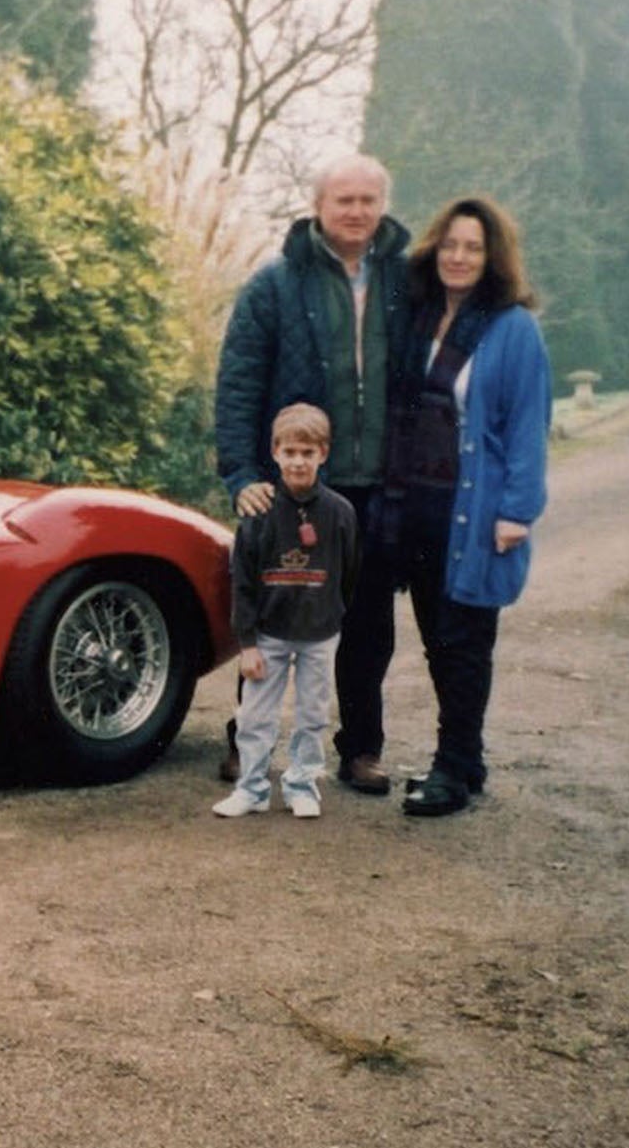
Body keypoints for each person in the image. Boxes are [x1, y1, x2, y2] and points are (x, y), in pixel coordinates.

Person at [214, 154, 410, 796]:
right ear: (318, 207)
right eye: (343, 200)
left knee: (367, 624)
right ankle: (250, 743)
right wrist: (244, 472)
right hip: (295, 485)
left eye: (368, 200)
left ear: (383, 205)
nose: (356, 212)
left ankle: (361, 750)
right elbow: (239, 385)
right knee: (276, 617)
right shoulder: (275, 284)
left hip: (375, 487)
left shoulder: (406, 284)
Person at [377, 196, 551, 817]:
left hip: (473, 510)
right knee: (436, 639)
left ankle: (451, 769)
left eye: (473, 247)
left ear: (492, 257)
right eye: (450, 244)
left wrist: (517, 512)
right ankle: (466, 758)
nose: (458, 256)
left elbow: (529, 425)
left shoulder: (513, 329)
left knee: (464, 640)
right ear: (435, 248)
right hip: (415, 506)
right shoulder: (420, 317)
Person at [214, 403, 360, 819]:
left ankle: (302, 784)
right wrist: (247, 644)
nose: (298, 461)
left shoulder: (340, 513)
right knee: (255, 716)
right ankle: (252, 788)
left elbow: (348, 574)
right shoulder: (257, 514)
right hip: (269, 635)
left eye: (307, 453)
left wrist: (331, 615)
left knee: (313, 714)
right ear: (275, 452)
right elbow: (241, 582)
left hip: (319, 633)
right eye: (290, 452)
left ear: (323, 455)